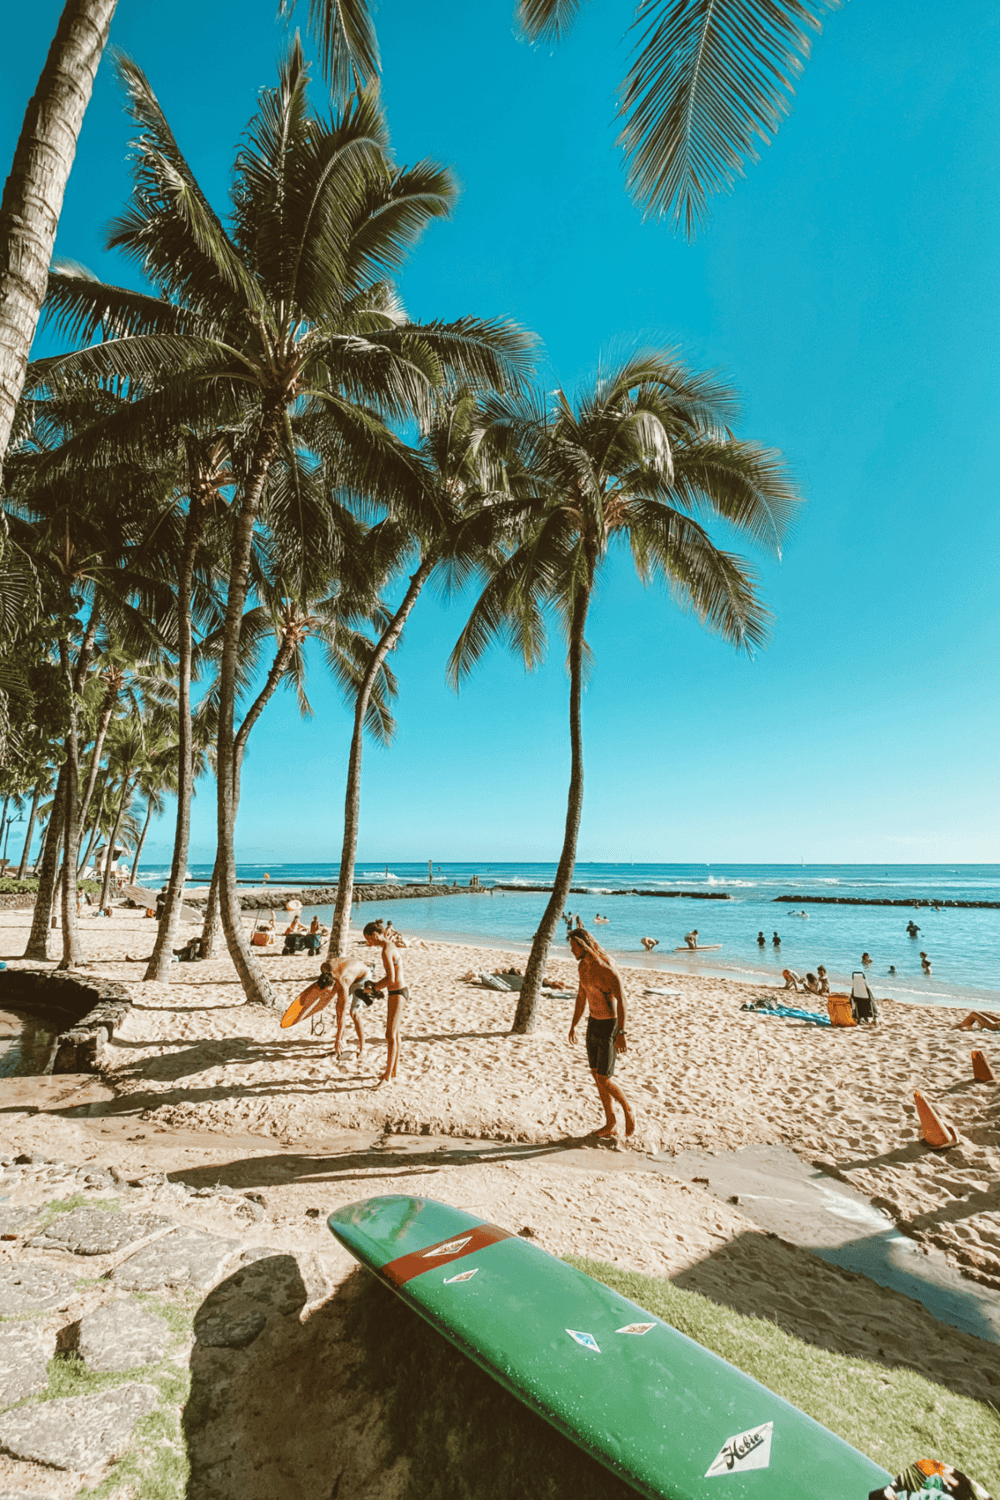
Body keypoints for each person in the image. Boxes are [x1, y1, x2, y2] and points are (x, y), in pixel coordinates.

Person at [567, 926, 635, 1140]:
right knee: (596, 1076)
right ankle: (610, 1123)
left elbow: (622, 1001)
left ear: (584, 946)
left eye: (574, 946)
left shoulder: (606, 968)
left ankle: (627, 1108)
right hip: (593, 1024)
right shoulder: (582, 967)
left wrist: (621, 1032)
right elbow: (581, 996)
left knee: (604, 1079)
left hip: (609, 1026)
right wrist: (574, 1024)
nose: (571, 950)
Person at [364, 920, 407, 1087]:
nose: (369, 943)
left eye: (369, 939)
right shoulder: (390, 945)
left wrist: (374, 987)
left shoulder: (386, 950)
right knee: (395, 1034)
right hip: (399, 992)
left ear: (375, 935)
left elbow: (391, 979)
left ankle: (387, 1078)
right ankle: (393, 1071)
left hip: (398, 992)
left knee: (390, 1035)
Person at [317, 954, 374, 1061]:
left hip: (363, 977)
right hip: (351, 969)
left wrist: (337, 1039)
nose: (328, 994)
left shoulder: (343, 983)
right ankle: (343, 1041)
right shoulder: (324, 967)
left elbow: (342, 1013)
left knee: (354, 1013)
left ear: (334, 983)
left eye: (329, 991)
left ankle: (363, 1049)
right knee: (337, 1008)